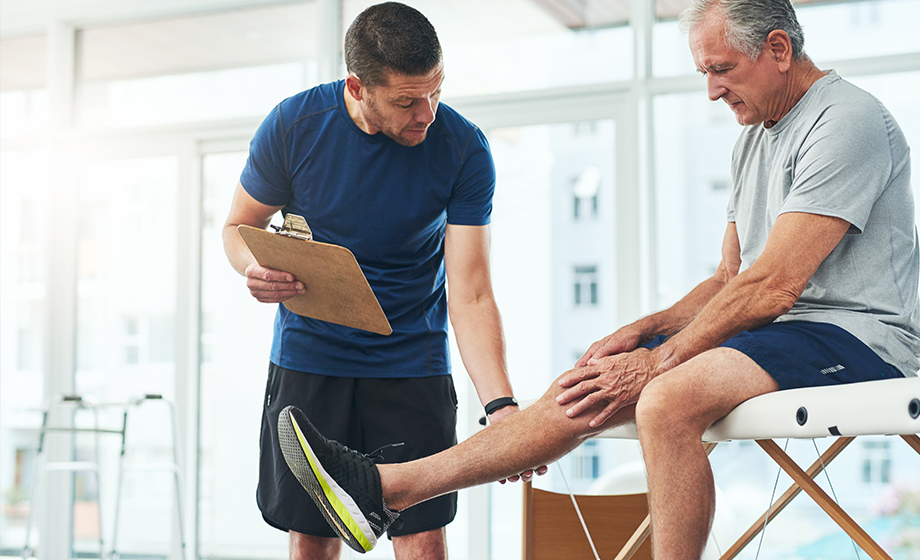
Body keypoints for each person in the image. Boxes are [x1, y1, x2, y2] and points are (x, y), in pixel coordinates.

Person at [275, 0, 920, 558]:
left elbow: (774, 285)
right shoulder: (752, 138)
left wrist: (657, 362)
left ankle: (384, 487)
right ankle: (386, 488)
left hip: (857, 337)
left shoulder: (845, 120)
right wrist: (638, 334)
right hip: (782, 335)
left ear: (778, 49)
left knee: (666, 398)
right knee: (590, 381)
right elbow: (730, 278)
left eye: (721, 71)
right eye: (704, 74)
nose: (712, 92)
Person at [221, 3, 526, 559]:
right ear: (358, 87)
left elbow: (472, 290)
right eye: (407, 101)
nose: (427, 114)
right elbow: (238, 227)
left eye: (435, 92)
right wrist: (252, 267)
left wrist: (500, 404)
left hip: (411, 363)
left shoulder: (463, 148)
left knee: (422, 529)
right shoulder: (294, 126)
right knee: (312, 533)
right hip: (310, 357)